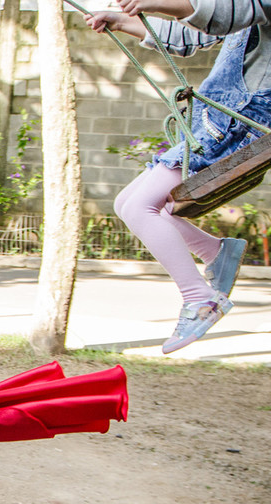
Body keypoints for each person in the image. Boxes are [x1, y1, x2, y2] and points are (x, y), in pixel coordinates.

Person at [84, 0, 267, 353]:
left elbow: (225, 14)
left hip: (242, 120)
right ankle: (216, 252)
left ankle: (200, 298)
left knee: (141, 207)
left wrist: (156, 2)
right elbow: (192, 33)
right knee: (127, 204)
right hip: (221, 119)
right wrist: (125, 21)